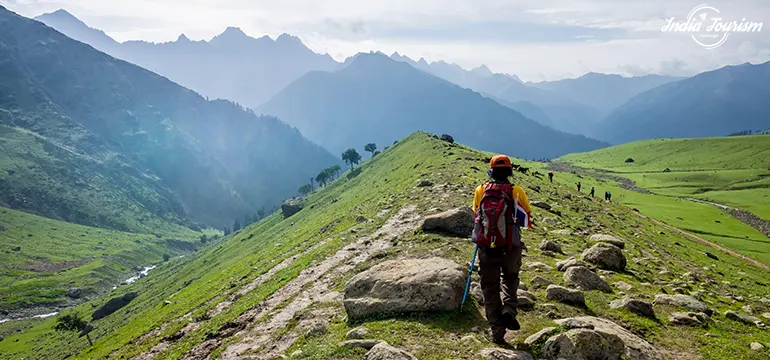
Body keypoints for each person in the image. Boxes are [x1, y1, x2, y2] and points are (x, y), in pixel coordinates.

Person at [472, 155, 531, 345]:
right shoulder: (517, 191)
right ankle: (509, 309)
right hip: (510, 247)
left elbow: (477, 215)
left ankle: (497, 329)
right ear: (509, 171)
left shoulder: (481, 190)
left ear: (491, 171)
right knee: (511, 278)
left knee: (489, 287)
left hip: (486, 247)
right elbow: (526, 219)